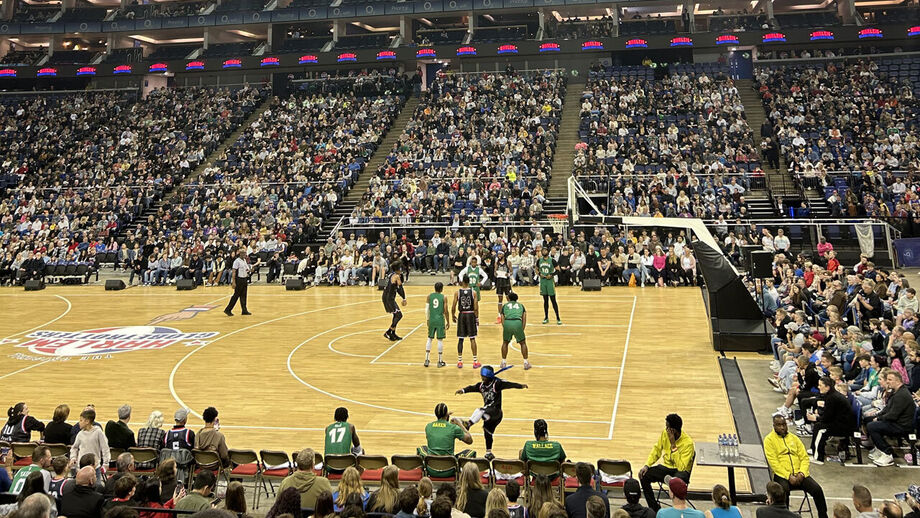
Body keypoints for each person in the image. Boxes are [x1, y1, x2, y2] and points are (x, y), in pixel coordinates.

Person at [457, 366, 528, 460]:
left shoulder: (497, 384)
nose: (482, 379)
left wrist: (521, 386)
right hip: (488, 414)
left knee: (480, 410)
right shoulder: (481, 386)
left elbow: (509, 384)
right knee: (487, 432)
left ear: (490, 377)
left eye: (484, 377)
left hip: (496, 412)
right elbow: (472, 387)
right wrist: (463, 390)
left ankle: (468, 424)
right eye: (481, 376)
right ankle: (488, 452)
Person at [763, 415, 827, 518]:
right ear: (774, 426)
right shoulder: (769, 440)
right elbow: (773, 463)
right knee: (783, 492)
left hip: (799, 474)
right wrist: (788, 476)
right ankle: (785, 516)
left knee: (817, 490)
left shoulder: (794, 438)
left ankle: (823, 516)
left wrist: (802, 473)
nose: (782, 427)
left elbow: (804, 458)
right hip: (782, 475)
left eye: (784, 424)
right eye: (779, 425)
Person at [638, 414, 694, 511]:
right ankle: (654, 508)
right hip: (666, 468)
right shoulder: (664, 433)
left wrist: (673, 445)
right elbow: (657, 450)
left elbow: (681, 467)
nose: (666, 429)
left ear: (674, 430)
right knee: (644, 476)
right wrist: (647, 465)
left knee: (677, 481)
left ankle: (673, 487)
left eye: (668, 427)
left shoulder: (688, 443)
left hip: (681, 472)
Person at [867, 371, 917, 466]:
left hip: (901, 426)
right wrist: (878, 416)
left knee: (872, 426)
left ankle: (887, 453)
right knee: (868, 420)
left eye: (890, 380)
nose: (888, 381)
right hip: (896, 422)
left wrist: (878, 419)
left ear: (898, 381)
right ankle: (879, 448)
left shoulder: (901, 395)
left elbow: (892, 416)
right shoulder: (896, 392)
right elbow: (887, 409)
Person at [807, 377, 855, 462]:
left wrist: (816, 418)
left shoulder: (832, 398)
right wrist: (819, 415)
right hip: (838, 422)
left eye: (820, 385)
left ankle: (818, 457)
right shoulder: (831, 395)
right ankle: (815, 448)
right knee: (818, 425)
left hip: (844, 426)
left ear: (827, 387)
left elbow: (827, 418)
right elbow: (829, 413)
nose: (818, 387)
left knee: (820, 429)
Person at [419, 403, 474, 475]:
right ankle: (468, 478)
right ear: (446, 415)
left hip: (431, 470)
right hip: (449, 470)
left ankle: (422, 474)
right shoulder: (453, 428)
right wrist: (459, 424)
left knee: (421, 449)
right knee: (471, 452)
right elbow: (470, 440)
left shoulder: (428, 427)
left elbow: (441, 431)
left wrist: (446, 418)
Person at [70, 409, 109, 484]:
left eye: (81, 420)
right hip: (81, 467)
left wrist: (106, 463)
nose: (79, 423)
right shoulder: (80, 434)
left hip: (95, 467)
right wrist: (73, 457)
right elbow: (74, 448)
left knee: (96, 487)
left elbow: (105, 448)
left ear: (87, 421)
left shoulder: (98, 432)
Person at [452, 274, 480, 369]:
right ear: (469, 282)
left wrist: (453, 315)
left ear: (462, 281)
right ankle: (475, 361)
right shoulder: (474, 292)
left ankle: (460, 361)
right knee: (472, 338)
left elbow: (453, 306)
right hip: (470, 314)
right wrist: (477, 318)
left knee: (461, 339)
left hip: (462, 314)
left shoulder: (457, 292)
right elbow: (476, 307)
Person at [498, 292, 530, 370]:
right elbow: (524, 318)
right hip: (517, 322)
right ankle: (526, 363)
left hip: (507, 322)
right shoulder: (521, 306)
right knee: (523, 343)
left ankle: (503, 362)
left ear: (508, 298)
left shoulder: (505, 306)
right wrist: (522, 328)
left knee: (505, 343)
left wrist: (504, 326)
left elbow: (502, 317)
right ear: (517, 299)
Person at [426, 282, 450, 368]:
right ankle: (440, 361)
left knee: (429, 338)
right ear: (442, 288)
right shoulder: (444, 297)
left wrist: (428, 319)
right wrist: (448, 321)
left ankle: (426, 359)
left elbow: (427, 309)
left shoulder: (429, 296)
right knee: (440, 340)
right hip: (440, 320)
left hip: (431, 319)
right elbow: (446, 311)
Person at [224, 248, 252, 316]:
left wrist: (250, 270)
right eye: (243, 253)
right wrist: (233, 282)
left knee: (244, 295)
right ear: (240, 254)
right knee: (236, 295)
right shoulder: (237, 261)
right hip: (239, 279)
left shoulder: (244, 260)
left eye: (245, 253)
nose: (244, 254)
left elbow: (246, 269)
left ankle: (244, 310)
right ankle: (228, 309)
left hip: (244, 279)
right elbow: (234, 271)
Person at [537, 247, 562, 325]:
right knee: (545, 301)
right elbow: (536, 269)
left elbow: (558, 270)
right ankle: (546, 317)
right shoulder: (539, 260)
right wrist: (539, 274)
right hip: (543, 281)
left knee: (553, 300)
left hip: (550, 281)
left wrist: (552, 275)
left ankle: (558, 318)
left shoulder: (552, 260)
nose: (544, 252)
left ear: (548, 251)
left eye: (545, 250)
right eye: (543, 251)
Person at [382, 271, 408, 341]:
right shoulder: (396, 277)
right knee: (399, 315)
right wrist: (404, 298)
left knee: (396, 315)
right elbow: (400, 289)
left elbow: (382, 284)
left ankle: (393, 333)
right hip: (389, 298)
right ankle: (388, 332)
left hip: (386, 297)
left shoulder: (389, 274)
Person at [493, 254, 512, 324]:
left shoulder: (508, 262)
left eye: (500, 254)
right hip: (499, 282)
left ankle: (510, 314)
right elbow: (494, 272)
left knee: (508, 298)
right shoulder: (496, 263)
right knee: (500, 299)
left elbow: (511, 271)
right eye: (498, 255)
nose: (499, 256)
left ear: (504, 255)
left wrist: (508, 274)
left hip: (506, 282)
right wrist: (496, 274)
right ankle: (499, 316)